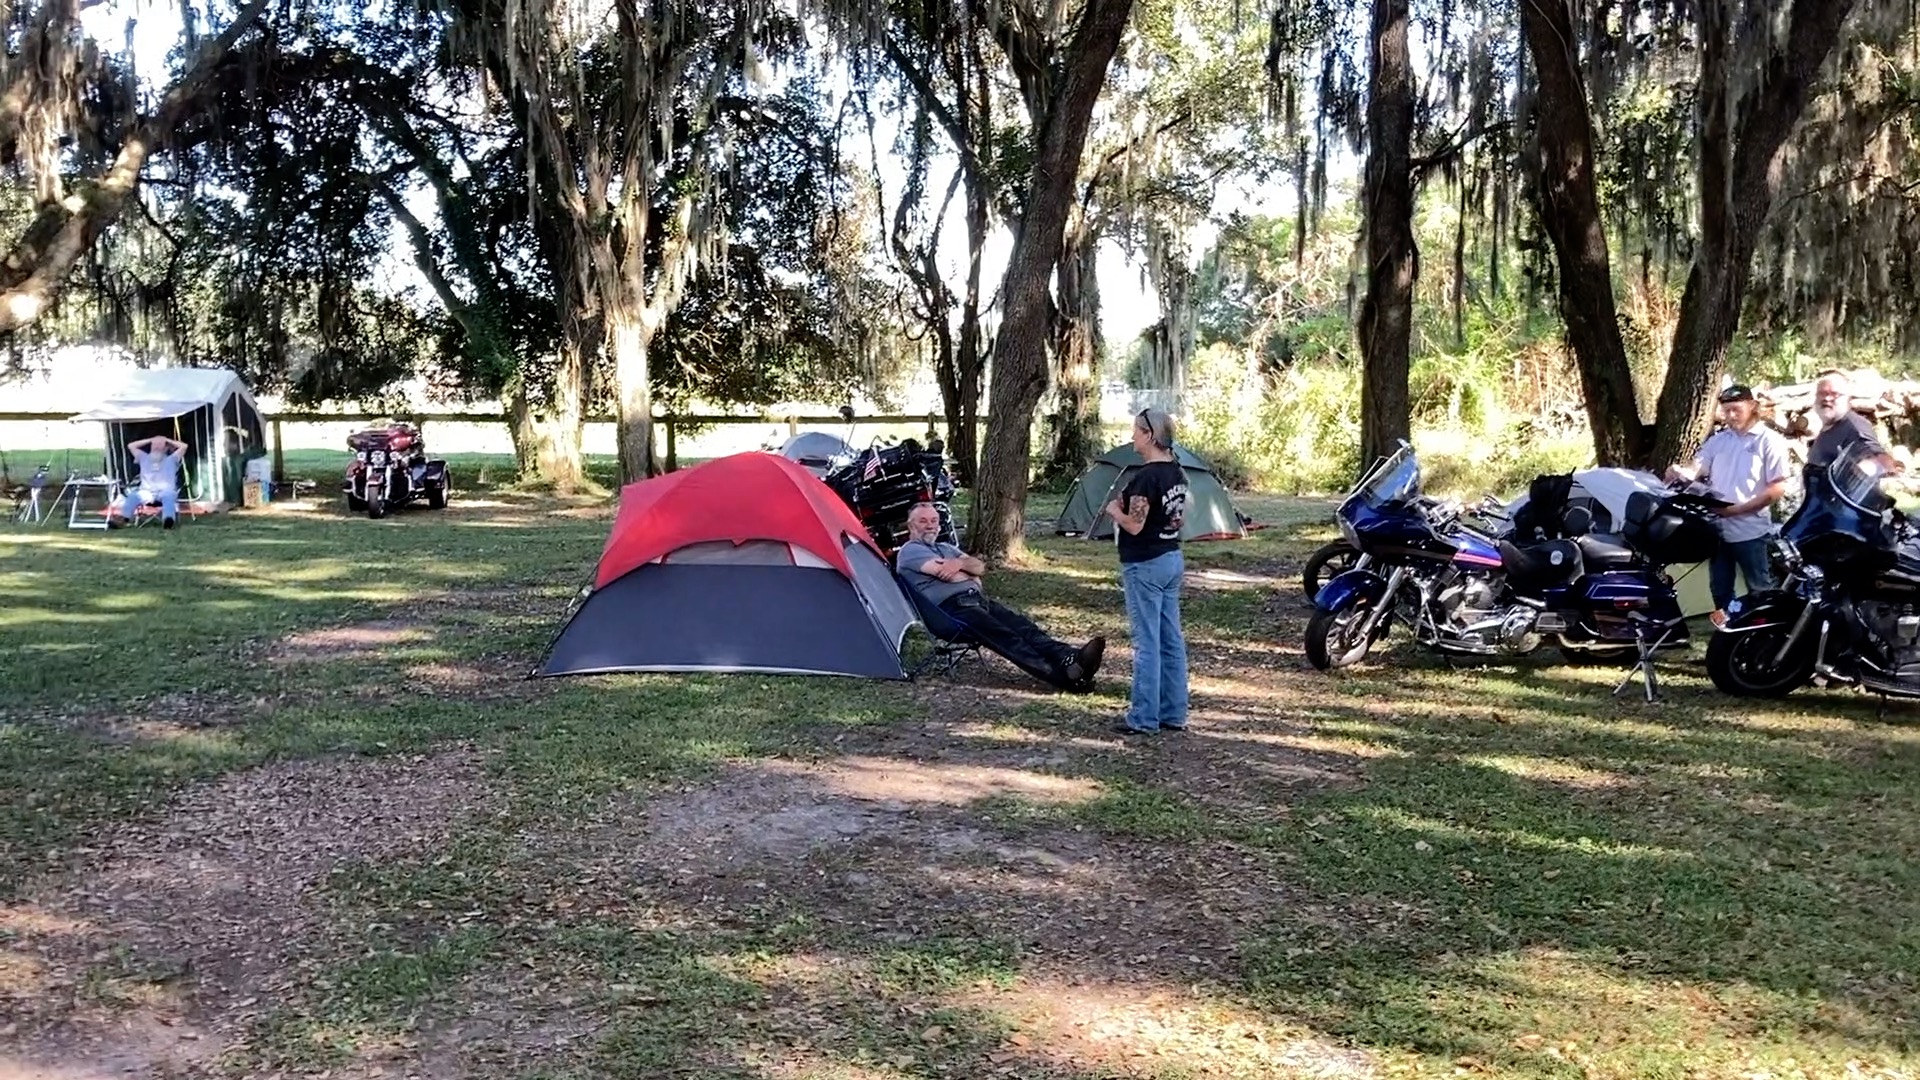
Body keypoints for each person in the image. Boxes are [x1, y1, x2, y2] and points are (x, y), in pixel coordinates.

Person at [896, 502, 1105, 692]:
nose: (930, 525)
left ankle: (1072, 659)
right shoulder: (911, 550)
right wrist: (967, 572)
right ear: (911, 526)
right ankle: (1067, 679)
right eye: (922, 521)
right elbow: (948, 576)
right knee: (1009, 638)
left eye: (933, 520)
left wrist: (960, 565)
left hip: (977, 602)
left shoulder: (945, 548)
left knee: (1025, 629)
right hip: (951, 612)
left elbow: (980, 567)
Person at [1665, 385, 1791, 627]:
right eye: (1726, 411)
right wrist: (1679, 473)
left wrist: (1738, 509)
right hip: (1718, 528)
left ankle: (1762, 633)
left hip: (1750, 530)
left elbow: (1777, 488)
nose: (1731, 416)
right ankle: (1728, 629)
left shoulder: (1769, 441)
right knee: (1720, 588)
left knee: (1759, 589)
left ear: (1752, 406)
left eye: (1736, 409)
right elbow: (1698, 468)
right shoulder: (1719, 440)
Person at [1103, 408, 1191, 735]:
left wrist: (1115, 510)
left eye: (1137, 431)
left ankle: (1143, 718)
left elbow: (1135, 526)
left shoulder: (1146, 477)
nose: (1132, 437)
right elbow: (1179, 518)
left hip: (1145, 563)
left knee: (1147, 642)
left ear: (1150, 435)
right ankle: (1174, 712)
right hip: (1170, 557)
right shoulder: (1177, 474)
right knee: (1171, 639)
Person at [1806, 368, 1902, 474]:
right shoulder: (1828, 428)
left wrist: (1865, 469)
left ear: (1847, 398)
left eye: (1834, 394)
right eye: (1822, 393)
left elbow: (1881, 459)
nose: (1827, 398)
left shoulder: (1855, 426)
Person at [113, 435, 188, 530]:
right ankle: (123, 520)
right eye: (154, 445)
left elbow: (184, 446)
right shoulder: (142, 457)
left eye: (160, 445)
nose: (156, 447)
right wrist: (150, 440)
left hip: (165, 491)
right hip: (146, 492)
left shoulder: (172, 459)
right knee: (133, 496)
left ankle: (168, 520)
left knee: (169, 495)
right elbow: (131, 446)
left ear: (166, 448)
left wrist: (167, 440)